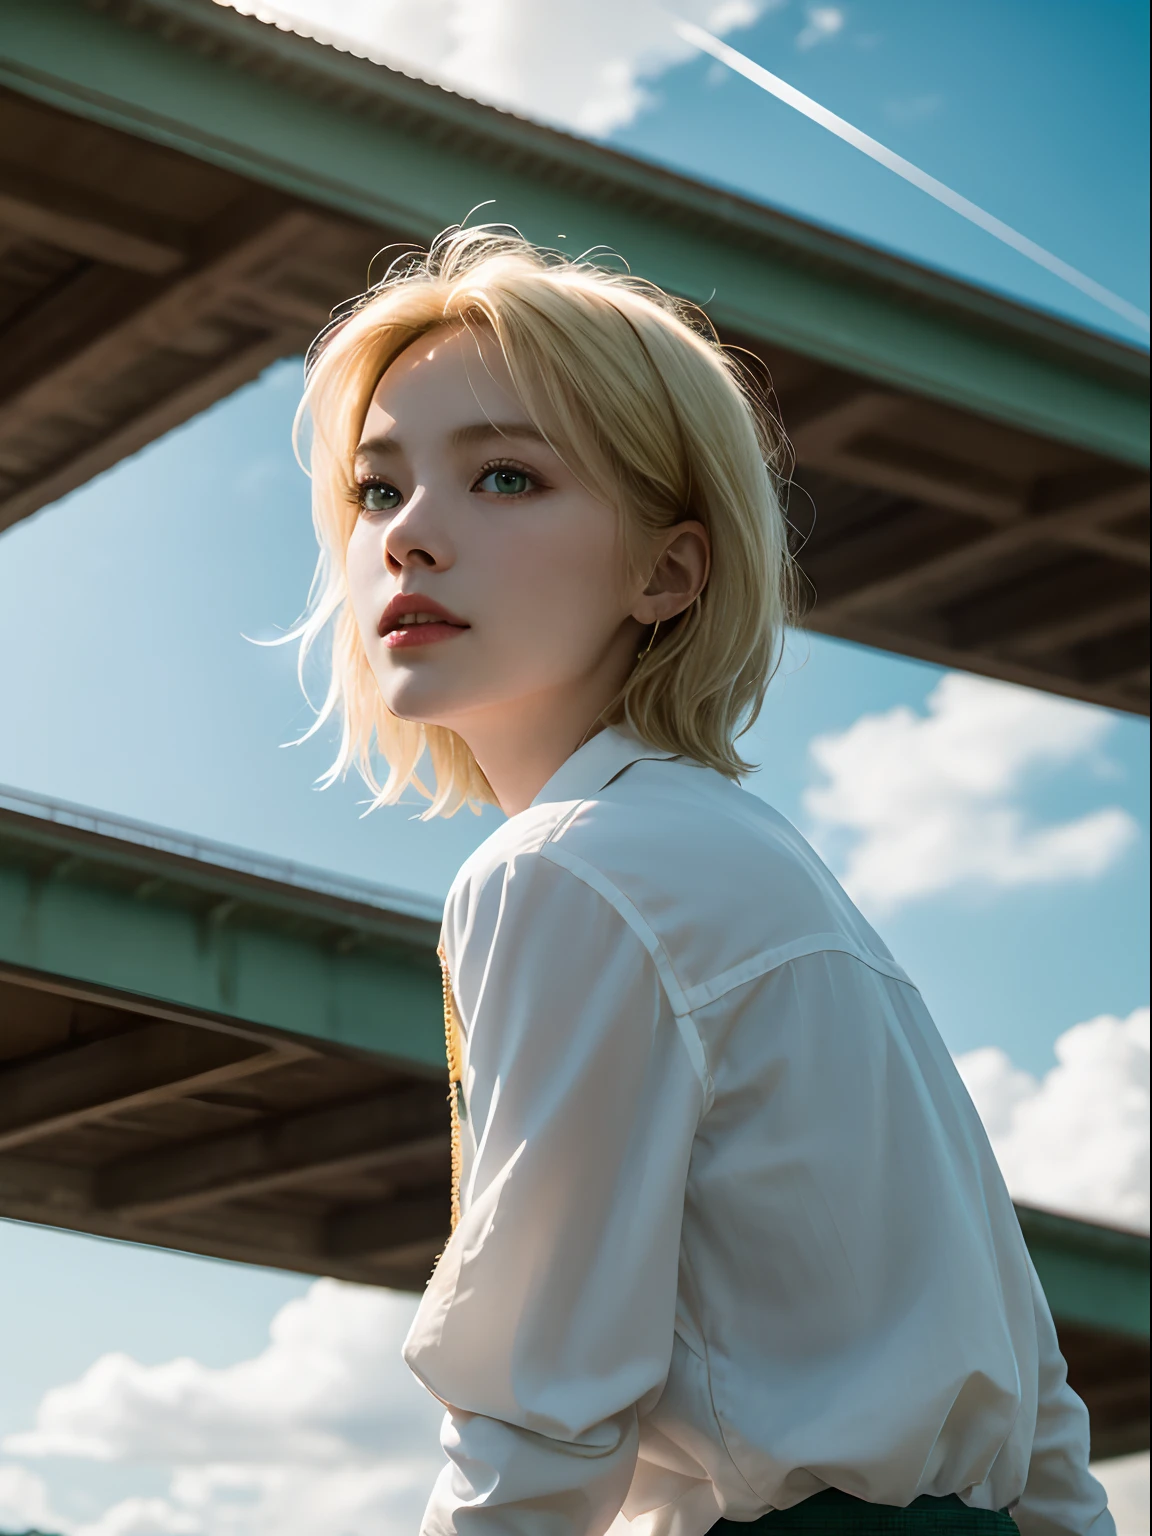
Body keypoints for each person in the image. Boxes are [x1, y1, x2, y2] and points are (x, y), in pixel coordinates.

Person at [291, 227, 1114, 1535]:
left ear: (667, 572)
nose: (411, 538)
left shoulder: (567, 870)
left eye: (504, 477)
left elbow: (540, 1406)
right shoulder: (762, 864)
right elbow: (1035, 1392)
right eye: (378, 492)